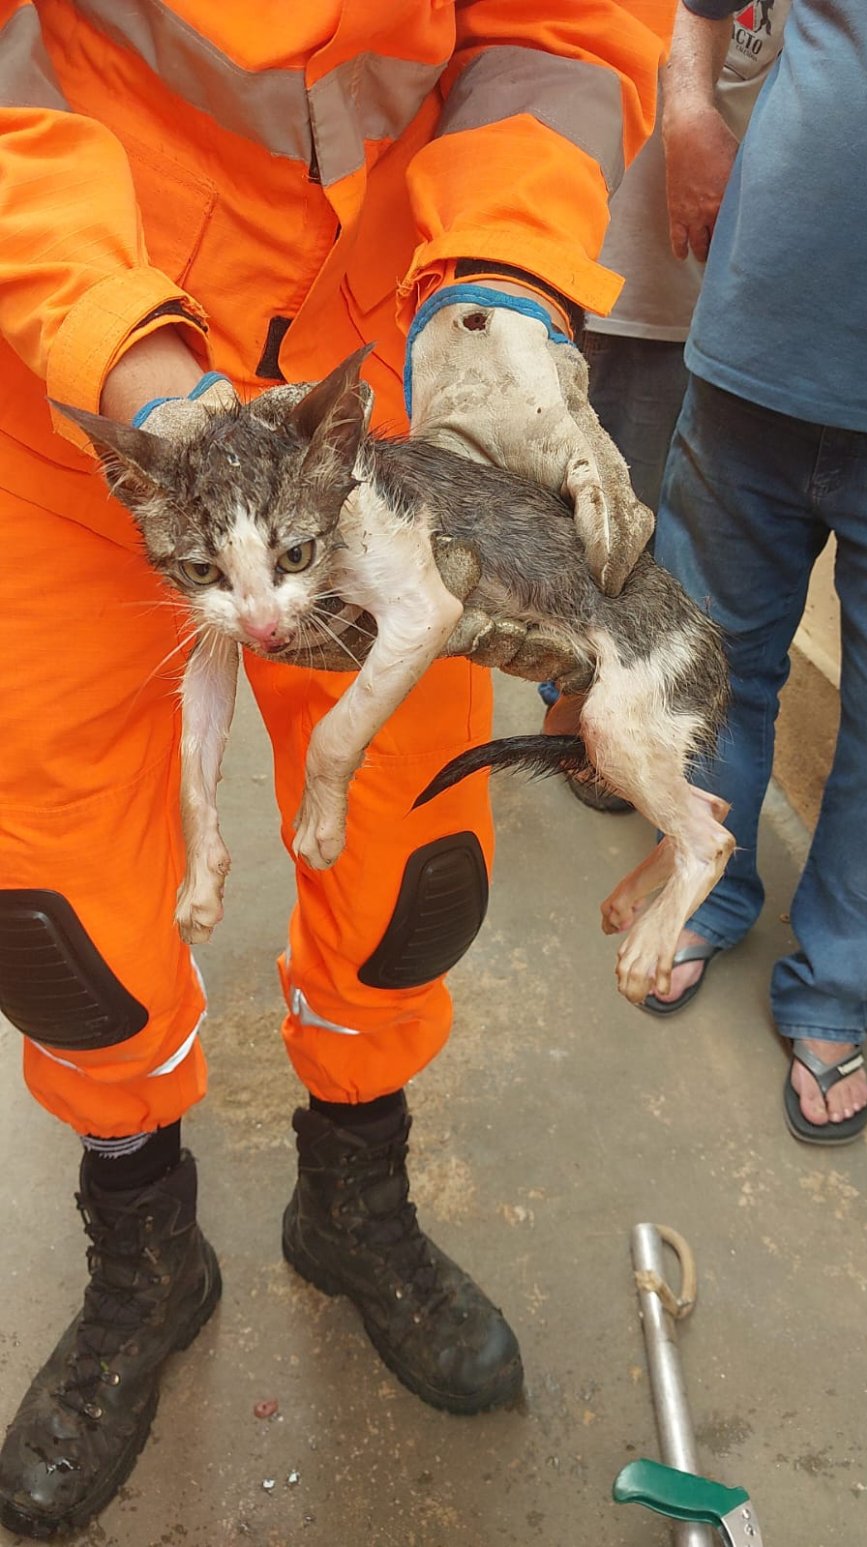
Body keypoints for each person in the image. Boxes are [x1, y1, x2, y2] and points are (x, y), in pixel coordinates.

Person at [0, 1, 669, 1534]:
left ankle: (353, 1191)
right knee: (58, 914)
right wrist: (125, 352)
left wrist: (502, 283)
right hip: (73, 384)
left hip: (376, 373)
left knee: (411, 871)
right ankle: (143, 1245)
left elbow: (562, 28)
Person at [648, 0, 867, 1146]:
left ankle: (839, 985)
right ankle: (704, 883)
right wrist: (688, 107)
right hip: (758, 351)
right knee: (714, 657)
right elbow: (695, 14)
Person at [542, 0, 788, 813]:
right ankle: (569, 699)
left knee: (643, 525)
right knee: (570, 515)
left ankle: (600, 708)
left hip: (706, 298)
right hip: (588, 260)